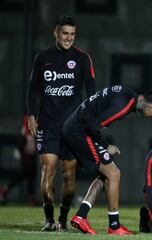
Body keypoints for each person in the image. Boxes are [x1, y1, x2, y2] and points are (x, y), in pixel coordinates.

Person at [63, 85, 152, 235]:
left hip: (75, 127)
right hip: (79, 132)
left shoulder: (126, 92)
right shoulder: (125, 106)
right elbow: (92, 126)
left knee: (106, 175)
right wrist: (106, 145)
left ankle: (81, 216)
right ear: (150, 107)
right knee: (114, 174)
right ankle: (114, 226)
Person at [26, 15, 96, 231]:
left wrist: (89, 119)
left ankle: (63, 219)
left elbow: (92, 91)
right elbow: (32, 89)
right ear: (56, 33)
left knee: (68, 174)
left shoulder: (83, 59)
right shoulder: (43, 57)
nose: (69, 38)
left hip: (72, 128)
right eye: (65, 33)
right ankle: (48, 220)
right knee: (48, 169)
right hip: (47, 125)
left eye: (72, 34)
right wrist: (30, 116)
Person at [0, 116, 37, 205]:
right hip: (26, 154)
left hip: (30, 153)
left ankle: (30, 197)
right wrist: (25, 157)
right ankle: (5, 190)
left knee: (31, 175)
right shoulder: (27, 121)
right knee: (23, 174)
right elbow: (22, 141)